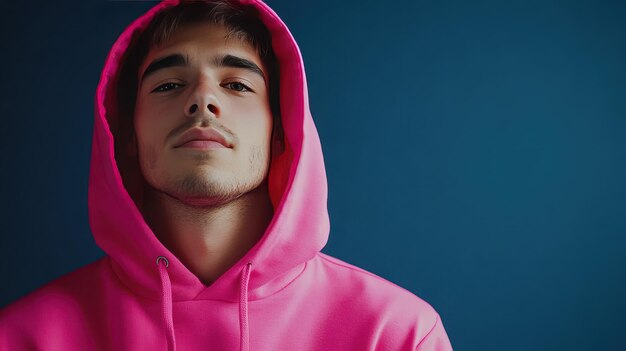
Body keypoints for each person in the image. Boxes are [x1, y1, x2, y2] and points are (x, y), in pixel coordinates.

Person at [0, 1, 453, 350]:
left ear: (282, 131)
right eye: (168, 85)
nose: (202, 101)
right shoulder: (23, 338)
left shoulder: (395, 335)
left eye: (236, 84)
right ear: (127, 134)